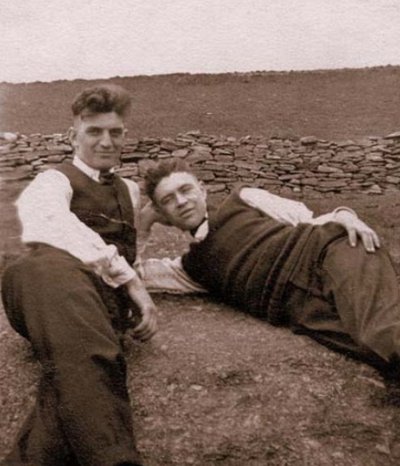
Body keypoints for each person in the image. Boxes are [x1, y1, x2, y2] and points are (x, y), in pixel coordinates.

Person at [1, 85, 157, 466]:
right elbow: (51, 222)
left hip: (98, 304)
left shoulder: (131, 191)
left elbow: (145, 242)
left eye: (115, 132)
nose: (106, 142)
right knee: (54, 273)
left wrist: (139, 278)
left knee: (79, 371)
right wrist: (130, 281)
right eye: (94, 132)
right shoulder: (53, 180)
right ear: (74, 136)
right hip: (44, 285)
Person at [138, 158, 400, 384]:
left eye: (186, 190)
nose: (182, 201)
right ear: (163, 214)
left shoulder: (242, 198)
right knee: (380, 355)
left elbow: (305, 217)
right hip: (300, 309)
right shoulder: (190, 269)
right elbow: (133, 275)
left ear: (203, 190)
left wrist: (344, 215)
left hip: (326, 253)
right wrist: (143, 225)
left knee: (383, 336)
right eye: (168, 200)